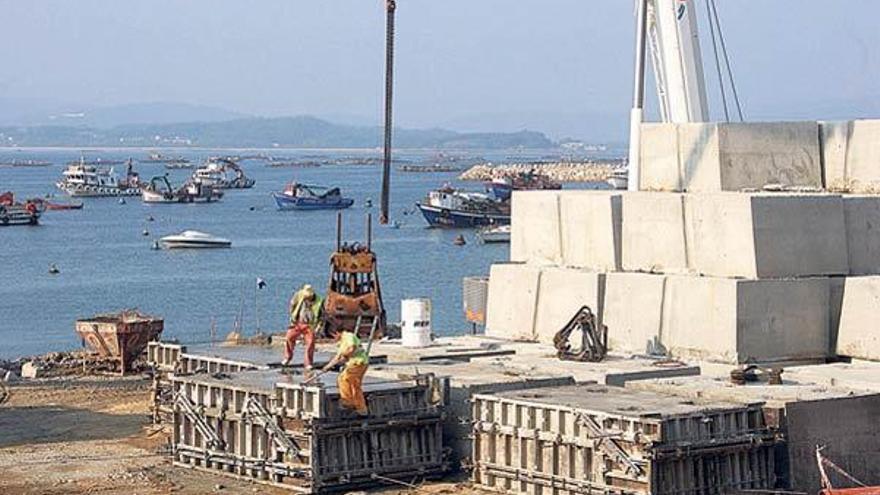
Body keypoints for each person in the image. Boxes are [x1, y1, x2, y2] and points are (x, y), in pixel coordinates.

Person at [320, 328, 369, 415]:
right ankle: (361, 408)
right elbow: (337, 357)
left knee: (343, 379)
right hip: (355, 363)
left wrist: (346, 355)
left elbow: (352, 347)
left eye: (333, 336)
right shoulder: (342, 343)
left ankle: (347, 402)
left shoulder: (348, 335)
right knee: (355, 385)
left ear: (337, 332)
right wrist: (327, 367)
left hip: (358, 362)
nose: (333, 338)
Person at [283, 284, 323, 368]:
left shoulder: (319, 301)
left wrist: (318, 327)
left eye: (308, 297)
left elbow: (322, 316)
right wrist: (292, 315)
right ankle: (287, 357)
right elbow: (292, 304)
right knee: (289, 337)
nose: (306, 298)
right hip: (298, 322)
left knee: (310, 343)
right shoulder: (299, 295)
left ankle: (308, 363)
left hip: (310, 325)